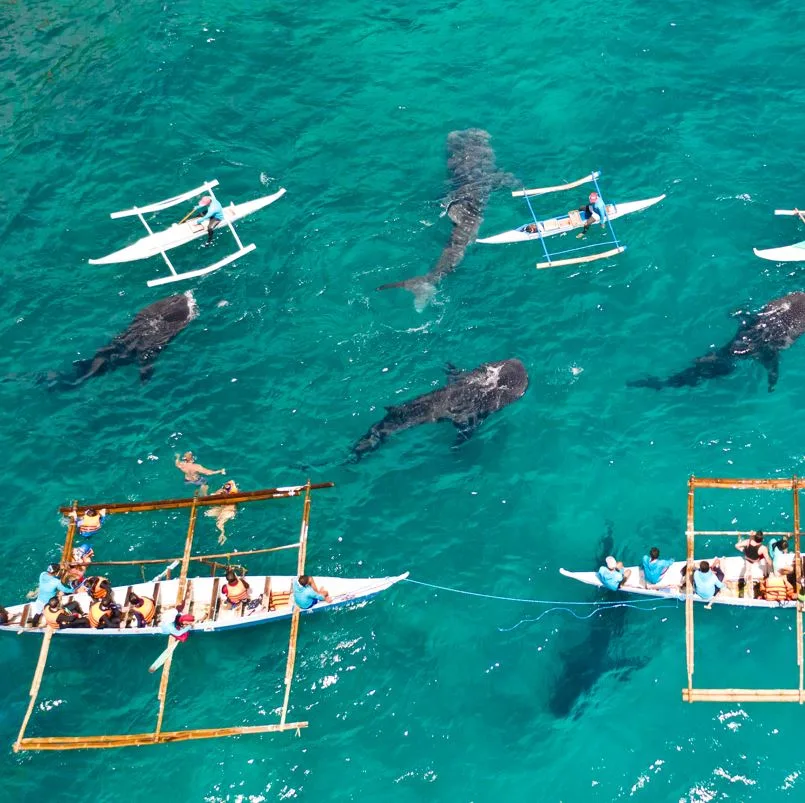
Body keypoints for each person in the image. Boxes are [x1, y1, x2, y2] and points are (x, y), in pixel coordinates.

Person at [736, 530, 771, 597]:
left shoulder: (748, 541)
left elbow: (736, 545)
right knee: (766, 550)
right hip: (754, 560)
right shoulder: (763, 548)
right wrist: (772, 566)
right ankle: (748, 586)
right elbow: (768, 559)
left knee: (748, 570)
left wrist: (743, 550)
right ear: (762, 539)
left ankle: (743, 586)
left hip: (747, 557)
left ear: (754, 537)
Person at [204, 480, 239, 545]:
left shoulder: (233, 491)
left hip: (229, 510)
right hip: (222, 507)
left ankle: (222, 534)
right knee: (208, 513)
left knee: (219, 523)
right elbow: (213, 495)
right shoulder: (222, 490)